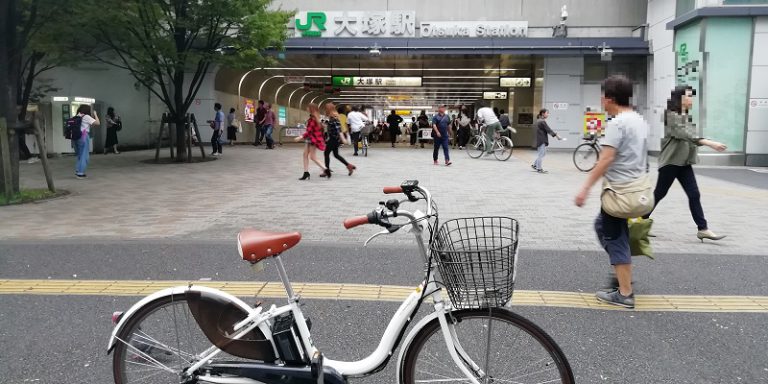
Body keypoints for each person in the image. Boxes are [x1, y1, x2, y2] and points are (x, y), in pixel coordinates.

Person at [574, 75, 648, 309]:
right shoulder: (638, 119)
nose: (601, 100)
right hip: (637, 189)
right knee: (606, 229)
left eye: (602, 96)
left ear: (609, 98)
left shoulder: (617, 123)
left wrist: (584, 188)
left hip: (619, 193)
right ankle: (622, 272)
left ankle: (624, 292)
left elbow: (605, 159)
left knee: (613, 235)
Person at [643, 85, 728, 242]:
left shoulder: (685, 116)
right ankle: (638, 223)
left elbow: (690, 136)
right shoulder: (670, 116)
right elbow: (685, 134)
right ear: (680, 98)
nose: (691, 99)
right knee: (659, 194)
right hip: (671, 163)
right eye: (688, 96)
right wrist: (709, 143)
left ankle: (703, 229)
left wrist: (703, 142)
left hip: (683, 164)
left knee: (694, 194)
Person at [295, 103, 328, 180]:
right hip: (312, 139)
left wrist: (300, 137)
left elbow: (309, 131)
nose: (307, 108)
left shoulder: (312, 119)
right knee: (305, 155)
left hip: (311, 140)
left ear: (311, 109)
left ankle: (325, 169)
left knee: (312, 157)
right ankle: (306, 172)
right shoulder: (315, 117)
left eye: (308, 107)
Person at [322, 103, 356, 177]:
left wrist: (343, 138)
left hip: (333, 139)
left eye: (326, 108)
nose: (325, 110)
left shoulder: (334, 116)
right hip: (335, 139)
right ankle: (349, 166)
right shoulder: (333, 116)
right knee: (336, 155)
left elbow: (338, 130)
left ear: (329, 109)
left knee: (326, 153)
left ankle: (326, 170)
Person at [532, 109, 563, 173]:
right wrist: (557, 136)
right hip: (541, 140)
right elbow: (548, 130)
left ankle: (535, 165)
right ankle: (539, 168)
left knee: (542, 153)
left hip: (539, 139)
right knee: (541, 154)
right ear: (543, 114)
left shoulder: (538, 120)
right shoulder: (542, 121)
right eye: (547, 113)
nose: (548, 114)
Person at [73, 104, 99, 179]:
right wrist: (95, 114)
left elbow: (87, 125)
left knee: (80, 155)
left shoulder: (77, 116)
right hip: (83, 135)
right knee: (84, 155)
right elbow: (97, 123)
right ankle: (80, 173)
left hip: (75, 137)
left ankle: (78, 170)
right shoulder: (86, 116)